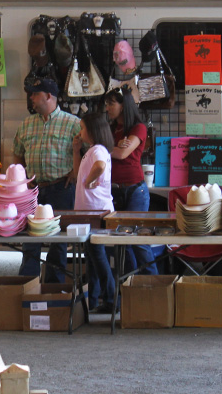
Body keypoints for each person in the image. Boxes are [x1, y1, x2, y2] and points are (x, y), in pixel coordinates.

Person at [13, 78, 81, 283]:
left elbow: (87, 153)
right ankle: (27, 286)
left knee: (58, 242)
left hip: (61, 188)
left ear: (49, 96)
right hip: (33, 190)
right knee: (29, 239)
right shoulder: (26, 124)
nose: (31, 98)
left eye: (35, 94)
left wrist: (75, 174)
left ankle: (54, 289)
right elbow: (17, 154)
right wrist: (21, 179)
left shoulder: (74, 124)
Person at [104, 85, 158, 275]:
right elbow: (111, 150)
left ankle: (155, 287)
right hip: (113, 191)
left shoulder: (139, 128)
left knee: (138, 241)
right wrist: (111, 146)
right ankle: (128, 287)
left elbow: (122, 153)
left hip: (135, 190)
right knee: (121, 242)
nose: (107, 108)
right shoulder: (111, 128)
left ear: (123, 105)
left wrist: (106, 146)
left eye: (111, 104)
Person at [72, 113, 116, 312]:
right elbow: (76, 177)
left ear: (92, 130)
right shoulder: (90, 151)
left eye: (82, 128)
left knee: (97, 256)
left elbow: (100, 166)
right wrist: (75, 151)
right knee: (92, 257)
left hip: (95, 213)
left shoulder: (98, 150)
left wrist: (90, 181)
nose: (80, 133)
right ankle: (94, 299)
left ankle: (111, 299)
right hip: (89, 212)